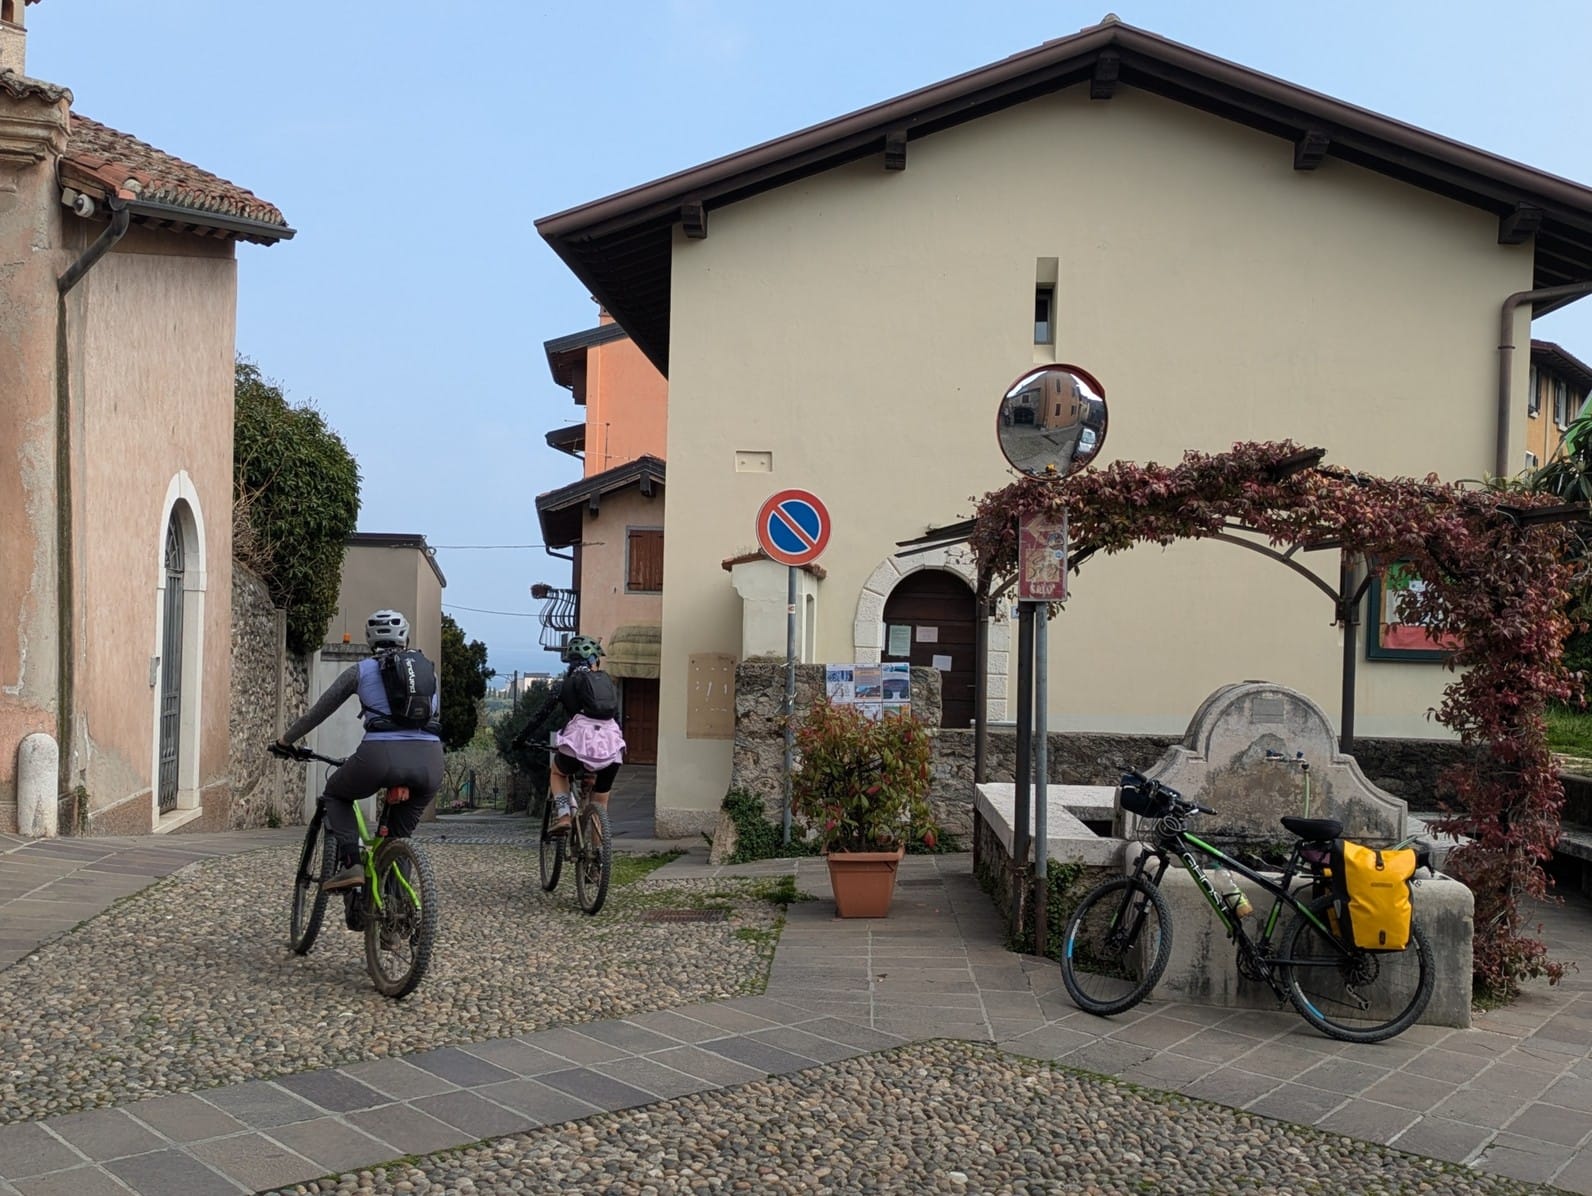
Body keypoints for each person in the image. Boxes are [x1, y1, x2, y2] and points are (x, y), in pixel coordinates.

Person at [271, 609, 444, 891]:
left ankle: (351, 861)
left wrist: (285, 742)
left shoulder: (361, 671)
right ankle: (398, 917)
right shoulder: (426, 672)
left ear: (369, 640)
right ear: (406, 639)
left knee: (335, 794)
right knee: (399, 836)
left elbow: (317, 713)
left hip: (379, 757)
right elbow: (432, 718)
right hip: (430, 761)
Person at [512, 634, 625, 835]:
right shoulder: (608, 685)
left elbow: (540, 716)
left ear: (570, 663)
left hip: (578, 743)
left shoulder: (563, 686)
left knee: (557, 772)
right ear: (594, 661)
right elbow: (616, 720)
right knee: (601, 804)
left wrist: (520, 739)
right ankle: (599, 857)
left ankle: (564, 815)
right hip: (612, 747)